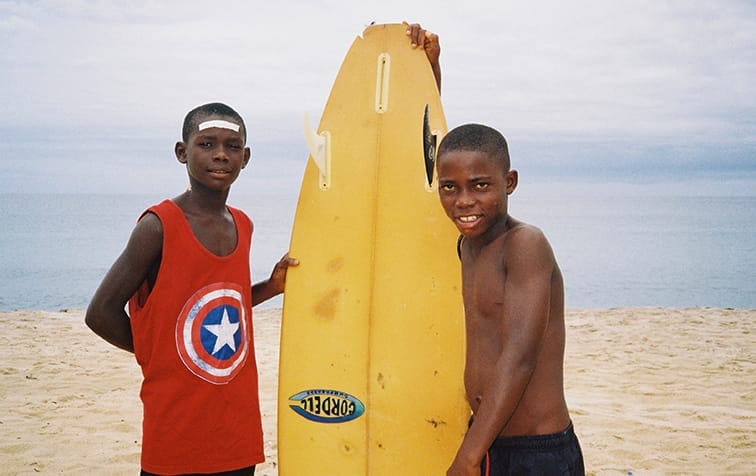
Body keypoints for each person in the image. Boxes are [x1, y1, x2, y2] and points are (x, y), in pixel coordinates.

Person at [85, 102, 298, 475]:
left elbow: (218, 304)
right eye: (206, 144)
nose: (220, 154)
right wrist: (157, 354)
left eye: (232, 146)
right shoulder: (158, 225)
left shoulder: (242, 224)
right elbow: (100, 313)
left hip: (237, 427)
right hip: (176, 428)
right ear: (182, 152)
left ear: (245, 158)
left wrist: (271, 287)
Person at [436, 124, 584, 475]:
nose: (464, 201)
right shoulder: (468, 246)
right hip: (488, 439)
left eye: (481, 185)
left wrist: (467, 457)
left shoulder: (525, 245)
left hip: (536, 452)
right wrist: (431, 72)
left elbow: (519, 356)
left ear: (510, 182)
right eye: (449, 188)